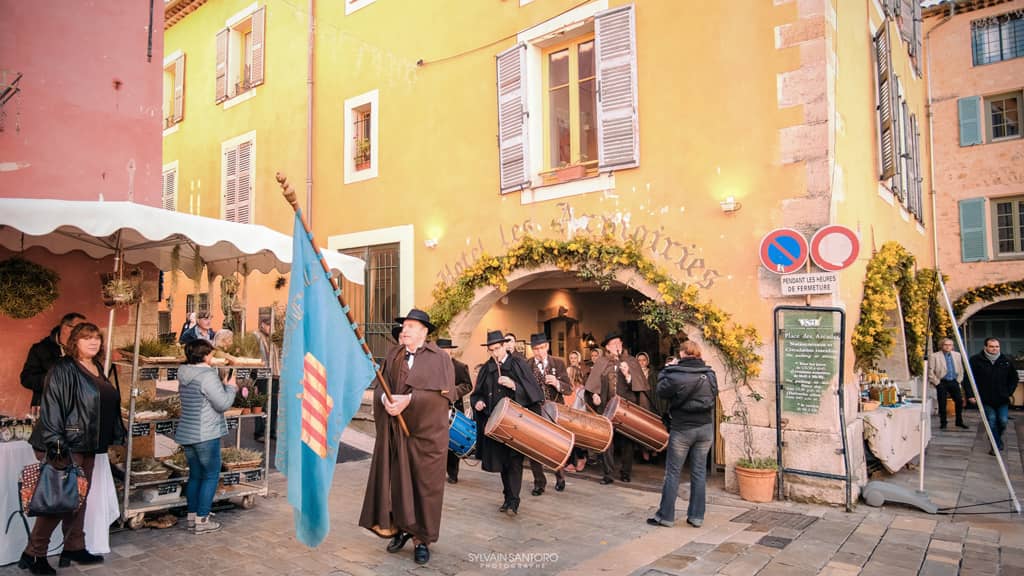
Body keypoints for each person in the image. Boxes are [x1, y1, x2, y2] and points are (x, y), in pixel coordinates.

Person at [23, 323, 125, 575]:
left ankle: (74, 546)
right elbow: (52, 407)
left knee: (76, 500)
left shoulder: (96, 367)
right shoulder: (63, 368)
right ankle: (33, 554)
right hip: (64, 445)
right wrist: (57, 445)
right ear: (74, 342)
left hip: (87, 445)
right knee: (58, 501)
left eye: (97, 338)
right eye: (86, 338)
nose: (93, 342)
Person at [359, 309, 455, 566]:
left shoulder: (440, 359)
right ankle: (399, 528)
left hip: (426, 438)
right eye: (404, 326)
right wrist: (384, 400)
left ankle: (421, 539)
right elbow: (381, 385)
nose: (405, 330)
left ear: (424, 331)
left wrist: (410, 401)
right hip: (396, 434)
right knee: (397, 484)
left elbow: (445, 397)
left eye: (411, 326)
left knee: (424, 489)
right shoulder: (394, 354)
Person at [471, 330, 543, 516]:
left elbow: (533, 392)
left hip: (515, 423)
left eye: (497, 348)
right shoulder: (487, 368)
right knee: (502, 462)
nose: (495, 353)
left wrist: (514, 386)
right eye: (491, 350)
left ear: (504, 346)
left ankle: (514, 500)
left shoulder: (518, 364)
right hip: (495, 423)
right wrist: (478, 402)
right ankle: (507, 497)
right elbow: (477, 393)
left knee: (514, 461)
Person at [648, 341, 717, 528]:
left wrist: (666, 369)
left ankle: (665, 516)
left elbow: (661, 391)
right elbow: (714, 396)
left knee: (673, 473)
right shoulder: (710, 374)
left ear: (683, 353)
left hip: (682, 429)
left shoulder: (675, 374)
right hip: (705, 429)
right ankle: (696, 517)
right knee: (699, 472)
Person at [175, 339, 238, 534]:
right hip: (206, 433)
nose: (212, 357)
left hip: (187, 432)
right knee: (210, 476)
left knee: (195, 476)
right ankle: (203, 520)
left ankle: (192, 518)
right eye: (210, 354)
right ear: (204, 355)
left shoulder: (184, 374)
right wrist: (231, 387)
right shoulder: (207, 376)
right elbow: (223, 404)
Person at [585, 331, 647, 484]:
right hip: (606, 408)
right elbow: (593, 385)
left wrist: (627, 375)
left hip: (626, 408)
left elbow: (640, 386)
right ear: (607, 347)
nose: (617, 346)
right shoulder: (601, 362)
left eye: (619, 343)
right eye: (613, 344)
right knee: (607, 441)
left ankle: (626, 472)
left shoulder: (631, 361)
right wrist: (595, 395)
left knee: (627, 442)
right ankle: (608, 474)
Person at [526, 333, 572, 494]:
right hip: (535, 411)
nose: (539, 352)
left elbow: (569, 388)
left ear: (547, 347)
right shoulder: (527, 364)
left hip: (555, 412)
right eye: (535, 349)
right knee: (533, 447)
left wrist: (557, 383)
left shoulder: (558, 363)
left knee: (555, 445)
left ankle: (560, 476)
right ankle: (539, 483)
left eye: (541, 348)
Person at [20, 312, 86, 408]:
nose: (85, 332)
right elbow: (26, 379)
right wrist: (53, 380)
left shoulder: (86, 349)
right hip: (47, 406)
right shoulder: (40, 348)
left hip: (78, 407)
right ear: (65, 328)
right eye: (81, 328)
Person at [966, 338, 1019, 453]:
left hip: (1002, 398)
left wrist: (1009, 392)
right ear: (985, 347)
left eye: (997, 346)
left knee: (1003, 421)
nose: (994, 349)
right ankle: (996, 445)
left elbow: (1014, 379)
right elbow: (968, 379)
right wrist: (970, 395)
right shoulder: (975, 360)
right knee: (991, 419)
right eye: (991, 346)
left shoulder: (1006, 360)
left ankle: (996, 438)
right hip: (984, 398)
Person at [437, 338, 473, 484]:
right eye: (441, 351)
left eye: (446, 350)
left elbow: (468, 385)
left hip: (454, 410)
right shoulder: (432, 367)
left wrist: (452, 392)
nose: (444, 353)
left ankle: (453, 474)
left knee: (452, 445)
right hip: (436, 409)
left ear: (451, 350)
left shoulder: (460, 366)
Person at [928, 338, 968, 430]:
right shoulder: (934, 356)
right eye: (946, 344)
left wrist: (958, 380)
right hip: (942, 381)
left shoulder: (957, 355)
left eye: (950, 345)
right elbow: (930, 371)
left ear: (952, 346)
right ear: (941, 345)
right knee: (942, 403)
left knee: (959, 401)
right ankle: (943, 422)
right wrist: (937, 383)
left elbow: (961, 369)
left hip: (954, 381)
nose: (948, 346)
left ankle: (959, 421)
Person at [253, 317, 280, 443]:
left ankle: (271, 431)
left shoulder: (275, 338)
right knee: (261, 404)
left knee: (274, 405)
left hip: (274, 375)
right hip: (262, 375)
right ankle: (259, 432)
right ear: (262, 324)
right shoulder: (256, 336)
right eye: (268, 325)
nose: (271, 328)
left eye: (272, 325)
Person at [564, 350, 589, 472]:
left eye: (568, 374)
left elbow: (583, 407)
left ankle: (581, 457)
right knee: (568, 440)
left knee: (576, 441)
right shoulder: (566, 389)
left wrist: (575, 416)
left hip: (577, 419)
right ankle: (569, 462)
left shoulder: (581, 390)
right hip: (566, 418)